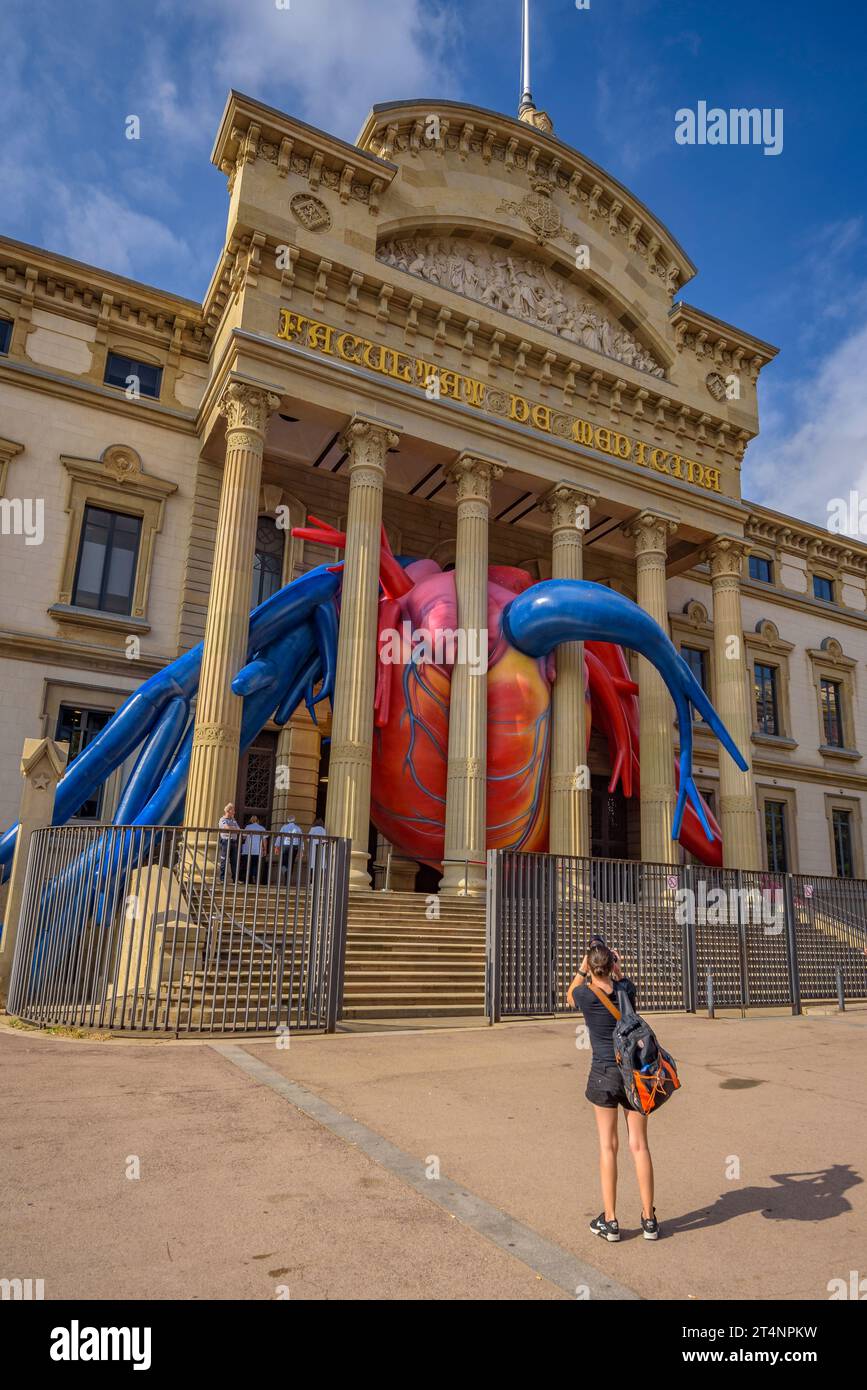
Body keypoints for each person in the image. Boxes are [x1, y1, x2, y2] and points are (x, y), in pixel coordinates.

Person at [567, 940, 658, 1243]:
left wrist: (584, 967)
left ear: (591, 968)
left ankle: (611, 1221)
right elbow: (622, 982)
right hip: (635, 1074)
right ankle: (649, 1220)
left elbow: (570, 995)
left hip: (604, 1075)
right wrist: (616, 969)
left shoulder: (584, 994)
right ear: (613, 965)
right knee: (639, 1146)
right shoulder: (626, 990)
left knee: (609, 1146)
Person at [273, 815, 303, 885]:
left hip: (285, 846)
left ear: (288, 820)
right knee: (291, 863)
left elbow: (279, 837)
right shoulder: (298, 828)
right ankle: (288, 879)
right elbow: (301, 839)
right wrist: (301, 850)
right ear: (294, 820)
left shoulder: (284, 827)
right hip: (294, 847)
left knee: (284, 862)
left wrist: (276, 846)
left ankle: (285, 874)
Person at [240, 815, 268, 883]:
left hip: (248, 850)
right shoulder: (262, 828)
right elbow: (264, 840)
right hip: (257, 850)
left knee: (248, 865)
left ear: (251, 821)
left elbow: (243, 838)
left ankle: (247, 879)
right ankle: (254, 877)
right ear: (258, 821)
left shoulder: (248, 827)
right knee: (255, 865)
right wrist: (265, 850)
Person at [218, 803, 240, 881]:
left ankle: (235, 879)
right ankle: (222, 879)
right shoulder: (222, 819)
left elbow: (238, 829)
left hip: (233, 842)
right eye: (233, 810)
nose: (234, 812)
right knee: (224, 860)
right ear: (228, 811)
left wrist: (232, 828)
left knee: (234, 861)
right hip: (226, 841)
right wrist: (233, 828)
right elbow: (226, 828)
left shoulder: (233, 820)